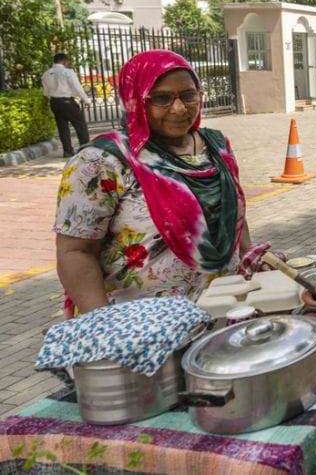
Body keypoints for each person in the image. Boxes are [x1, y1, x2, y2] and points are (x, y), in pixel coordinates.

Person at [54, 50, 253, 315]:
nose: (180, 108)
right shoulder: (102, 161)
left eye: (189, 94)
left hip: (224, 312)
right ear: (135, 98)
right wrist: (103, 326)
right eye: (161, 97)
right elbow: (75, 252)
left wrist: (251, 257)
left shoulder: (217, 146)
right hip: (142, 330)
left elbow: (234, 214)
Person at [42, 53, 92, 158]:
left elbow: (46, 92)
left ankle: (67, 151)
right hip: (67, 102)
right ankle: (85, 150)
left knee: (62, 127)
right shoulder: (67, 72)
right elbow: (77, 87)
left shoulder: (46, 74)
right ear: (65, 61)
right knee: (80, 125)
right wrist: (86, 100)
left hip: (54, 102)